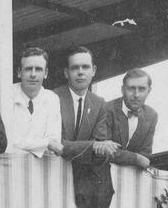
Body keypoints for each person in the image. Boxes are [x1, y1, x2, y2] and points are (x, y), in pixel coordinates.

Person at [50, 46, 120, 208]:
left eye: (85, 67)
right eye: (75, 68)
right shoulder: (52, 97)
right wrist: (92, 146)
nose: (80, 72)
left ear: (94, 70)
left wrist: (97, 146)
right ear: (66, 72)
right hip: (55, 175)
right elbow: (56, 142)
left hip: (86, 184)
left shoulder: (100, 103)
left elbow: (99, 146)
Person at [3, 47, 61, 157]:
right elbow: (8, 139)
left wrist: (48, 143)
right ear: (19, 72)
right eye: (28, 69)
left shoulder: (52, 98)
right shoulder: (7, 94)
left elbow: (54, 140)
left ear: (46, 73)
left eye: (38, 69)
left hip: (41, 167)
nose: (33, 74)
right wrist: (46, 143)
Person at [106, 68, 158, 169]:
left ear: (149, 90)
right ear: (122, 90)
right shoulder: (106, 110)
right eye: (131, 88)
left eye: (142, 89)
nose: (136, 95)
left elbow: (145, 155)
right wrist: (136, 159)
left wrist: (139, 159)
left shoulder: (151, 115)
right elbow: (105, 150)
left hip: (131, 176)